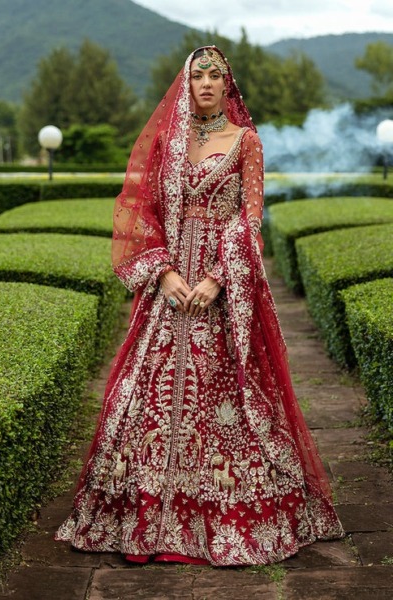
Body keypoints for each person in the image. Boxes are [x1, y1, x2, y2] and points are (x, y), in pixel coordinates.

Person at [56, 46, 344, 566]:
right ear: (186, 84)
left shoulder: (246, 143)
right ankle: (140, 511)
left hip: (218, 288)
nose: (206, 82)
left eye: (216, 75)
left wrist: (216, 279)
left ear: (228, 85)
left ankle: (227, 512)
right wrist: (164, 273)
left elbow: (249, 220)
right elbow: (145, 213)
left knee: (224, 394)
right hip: (169, 287)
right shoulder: (169, 141)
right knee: (147, 392)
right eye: (198, 75)